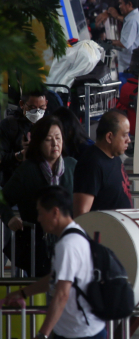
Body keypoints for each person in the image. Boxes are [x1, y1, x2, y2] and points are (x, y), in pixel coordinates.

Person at [0, 187, 115, 339]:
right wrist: (23, 292)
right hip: (69, 332)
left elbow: (61, 294)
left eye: (41, 213)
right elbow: (55, 279)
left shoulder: (68, 244)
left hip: (82, 334)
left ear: (55, 212)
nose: (38, 218)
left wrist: (43, 333)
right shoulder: (72, 237)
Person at [1, 116, 75, 277]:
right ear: (38, 143)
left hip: (69, 243)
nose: (55, 144)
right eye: (49, 139)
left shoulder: (72, 166)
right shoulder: (27, 170)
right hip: (37, 245)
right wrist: (9, 218)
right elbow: (2, 200)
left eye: (58, 138)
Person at [72, 111, 131, 217]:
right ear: (109, 137)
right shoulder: (91, 163)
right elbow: (81, 214)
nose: (129, 140)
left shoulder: (115, 157)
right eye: (124, 135)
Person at [0, 88, 48, 185]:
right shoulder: (9, 125)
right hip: (14, 185)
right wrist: (21, 155)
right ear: (22, 104)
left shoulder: (48, 126)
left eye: (42, 108)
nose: (38, 113)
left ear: (46, 103)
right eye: (32, 108)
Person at [112, 0, 139, 76]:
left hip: (128, 67)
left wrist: (108, 42)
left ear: (129, 4)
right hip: (136, 64)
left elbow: (125, 43)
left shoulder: (132, 21)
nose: (119, 6)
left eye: (121, 3)